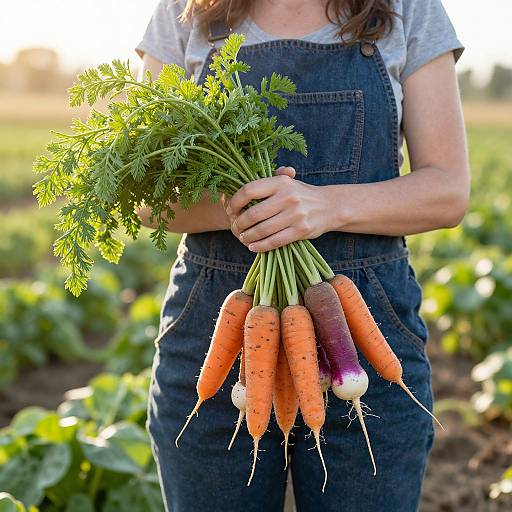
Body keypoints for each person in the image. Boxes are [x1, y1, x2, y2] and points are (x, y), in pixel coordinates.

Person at [135, 1, 469, 511]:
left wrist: (325, 206)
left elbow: (447, 191)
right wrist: (240, 208)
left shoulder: (408, 8)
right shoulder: (186, 10)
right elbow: (149, 199)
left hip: (363, 332)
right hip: (215, 337)